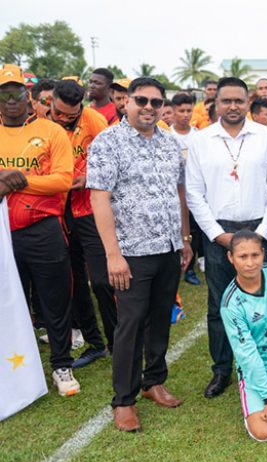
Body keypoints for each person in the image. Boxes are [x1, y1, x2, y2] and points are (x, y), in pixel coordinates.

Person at [88, 77, 193, 432]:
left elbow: (178, 192)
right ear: (127, 102)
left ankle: (153, 382)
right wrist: (112, 254)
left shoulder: (169, 142)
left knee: (161, 319)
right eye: (141, 100)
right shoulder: (108, 142)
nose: (148, 107)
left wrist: (184, 237)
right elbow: (99, 199)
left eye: (155, 102)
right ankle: (124, 399)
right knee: (130, 325)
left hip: (167, 247)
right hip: (131, 252)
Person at [185, 77, 267, 400]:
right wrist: (218, 236)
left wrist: (260, 235)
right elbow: (193, 194)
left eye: (238, 101)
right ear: (214, 104)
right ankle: (222, 370)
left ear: (248, 102)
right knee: (218, 304)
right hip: (220, 235)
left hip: (260, 230)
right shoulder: (201, 141)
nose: (232, 107)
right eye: (225, 101)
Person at [0, 64, 79, 396]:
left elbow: (63, 179)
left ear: (30, 98)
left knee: (53, 302)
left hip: (42, 229)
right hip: (3, 233)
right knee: (9, 301)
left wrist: (18, 181)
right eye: (4, 94)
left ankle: (61, 364)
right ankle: (13, 369)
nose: (11, 101)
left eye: (17, 93)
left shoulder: (51, 132)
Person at [48, 79, 117, 368]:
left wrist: (87, 179)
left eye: (70, 115)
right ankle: (94, 343)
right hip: (58, 210)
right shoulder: (42, 123)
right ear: (51, 102)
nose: (63, 119)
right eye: (58, 113)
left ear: (81, 108)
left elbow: (114, 160)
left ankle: (117, 343)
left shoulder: (95, 120)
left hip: (91, 209)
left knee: (101, 280)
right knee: (73, 281)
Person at [221, 230, 267, 441]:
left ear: (263, 254)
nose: (250, 263)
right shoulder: (230, 304)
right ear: (231, 258)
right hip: (258, 367)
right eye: (243, 257)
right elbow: (247, 356)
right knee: (264, 433)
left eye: (255, 255)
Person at [170, 92, 202, 286]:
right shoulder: (167, 135)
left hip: (194, 191)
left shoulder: (198, 136)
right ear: (173, 111)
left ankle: (190, 269)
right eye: (181, 110)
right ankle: (175, 265)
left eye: (189, 110)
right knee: (176, 228)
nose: (185, 114)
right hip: (174, 192)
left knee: (194, 230)